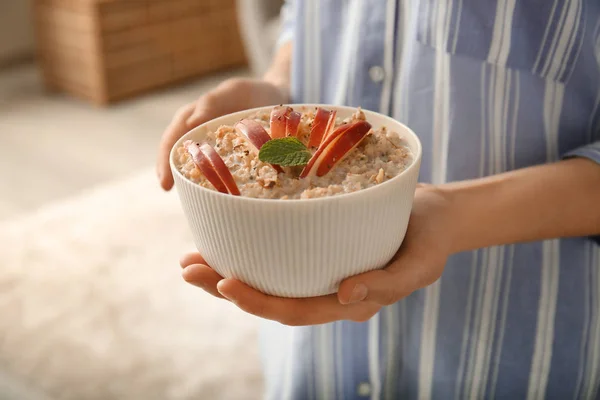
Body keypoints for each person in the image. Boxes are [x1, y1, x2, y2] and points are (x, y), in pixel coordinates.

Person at [157, 1, 600, 398]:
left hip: (508, 344)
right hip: (311, 357)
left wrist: (453, 215)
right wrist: (274, 88)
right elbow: (309, 17)